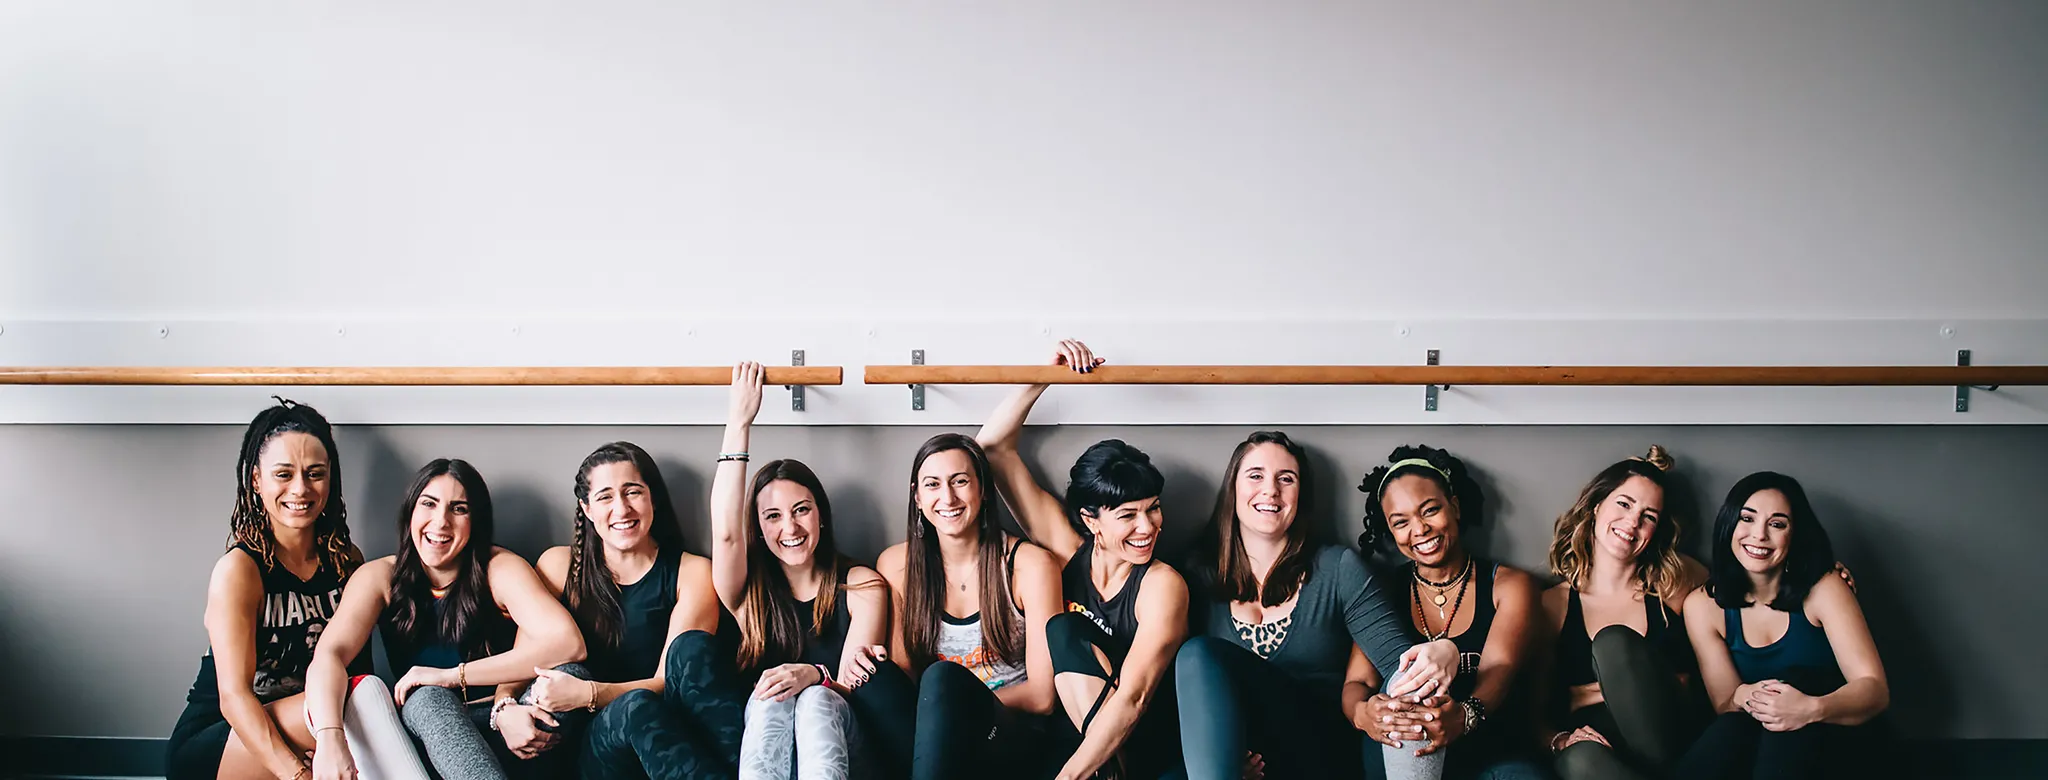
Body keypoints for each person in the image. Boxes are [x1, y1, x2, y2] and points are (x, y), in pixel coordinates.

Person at [977, 339, 1190, 780]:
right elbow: (991, 448)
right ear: (1090, 520)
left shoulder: (1161, 585)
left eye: (1153, 508)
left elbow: (1133, 700)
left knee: (1064, 626)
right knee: (1064, 627)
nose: (1148, 527)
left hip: (1140, 741)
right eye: (1128, 515)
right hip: (1076, 746)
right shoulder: (1066, 550)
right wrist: (1045, 377)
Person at [306, 459, 589, 780]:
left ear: (475, 522)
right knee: (426, 696)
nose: (440, 522)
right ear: (410, 512)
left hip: (509, 726)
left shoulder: (498, 568)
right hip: (430, 735)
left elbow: (568, 644)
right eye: (428, 504)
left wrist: (460, 680)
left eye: (458, 509)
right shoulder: (380, 576)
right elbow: (328, 656)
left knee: (569, 674)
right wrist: (330, 739)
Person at [166, 401, 365, 780]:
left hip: (315, 726)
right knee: (351, 706)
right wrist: (298, 775)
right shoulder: (239, 570)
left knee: (361, 697)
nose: (300, 489)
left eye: (314, 474)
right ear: (257, 481)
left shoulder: (346, 560)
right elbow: (234, 698)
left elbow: (354, 672)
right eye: (283, 474)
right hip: (224, 739)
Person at [715, 363, 891, 780]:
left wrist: (813, 674)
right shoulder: (745, 591)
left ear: (821, 516)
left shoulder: (863, 585)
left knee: (814, 700)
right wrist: (739, 421)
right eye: (772, 516)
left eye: (801, 510)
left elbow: (853, 682)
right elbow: (725, 535)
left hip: (850, 753)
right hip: (768, 749)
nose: (790, 528)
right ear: (757, 527)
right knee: (770, 698)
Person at [1673, 472, 1889, 780]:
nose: (1759, 535)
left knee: (1794, 683)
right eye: (1747, 519)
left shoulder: (1824, 588)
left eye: (1777, 524)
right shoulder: (1702, 606)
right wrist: (1744, 696)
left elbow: (1875, 690)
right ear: (1728, 524)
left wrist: (1810, 708)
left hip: (1838, 736)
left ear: (1794, 534)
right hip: (1758, 740)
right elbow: (1725, 704)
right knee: (1738, 723)